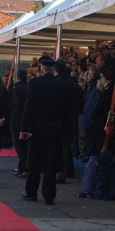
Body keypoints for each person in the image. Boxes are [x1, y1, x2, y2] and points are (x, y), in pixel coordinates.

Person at [19, 55, 69, 205]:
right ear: (53, 69)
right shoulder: (61, 86)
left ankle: (31, 192)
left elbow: (28, 107)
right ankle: (49, 195)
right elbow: (65, 111)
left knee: (34, 162)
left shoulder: (34, 84)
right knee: (50, 163)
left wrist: (23, 128)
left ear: (41, 68)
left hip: (37, 129)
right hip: (55, 129)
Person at [10, 69, 28, 177]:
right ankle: (22, 167)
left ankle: (24, 168)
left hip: (18, 119)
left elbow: (16, 105)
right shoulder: (29, 86)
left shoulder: (16, 89)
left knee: (19, 145)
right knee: (25, 145)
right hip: (27, 118)